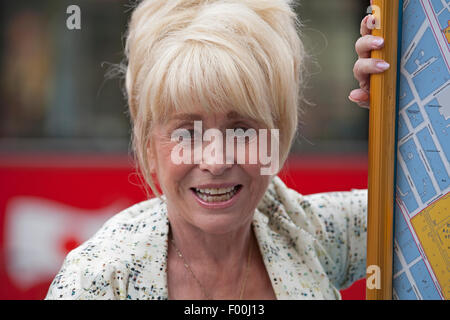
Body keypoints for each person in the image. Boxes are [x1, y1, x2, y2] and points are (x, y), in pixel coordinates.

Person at [45, 1, 389, 300]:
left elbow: (435, 210)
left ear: (278, 136)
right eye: (187, 134)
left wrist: (398, 107)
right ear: (149, 147)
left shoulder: (309, 231)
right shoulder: (97, 280)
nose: (216, 161)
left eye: (240, 130)